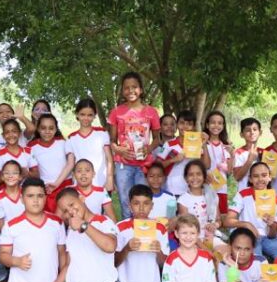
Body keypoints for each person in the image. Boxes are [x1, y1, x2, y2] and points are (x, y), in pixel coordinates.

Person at [114, 185, 169, 282]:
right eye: (136, 203)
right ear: (129, 205)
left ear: (152, 206)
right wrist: (127, 248)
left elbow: (165, 263)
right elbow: (114, 263)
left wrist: (158, 251)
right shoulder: (121, 228)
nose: (141, 208)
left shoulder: (159, 228)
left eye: (146, 203)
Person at [108, 72, 162, 219]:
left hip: (144, 165)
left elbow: (157, 139)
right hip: (123, 165)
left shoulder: (151, 112)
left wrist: (148, 149)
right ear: (122, 90)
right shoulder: (116, 112)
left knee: (143, 202)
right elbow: (112, 140)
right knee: (126, 201)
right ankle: (127, 229)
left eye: (134, 87)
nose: (130, 91)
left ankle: (142, 229)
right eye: (127, 88)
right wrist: (118, 149)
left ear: (141, 89)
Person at [223, 161, 277, 261]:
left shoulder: (276, 200)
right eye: (255, 176)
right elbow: (227, 221)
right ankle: (259, 262)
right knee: (257, 256)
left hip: (266, 238)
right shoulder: (242, 195)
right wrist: (247, 225)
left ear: (270, 177)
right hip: (248, 235)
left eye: (264, 175)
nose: (260, 179)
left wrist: (272, 225)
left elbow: (272, 235)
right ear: (250, 179)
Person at [65, 98, 114, 191]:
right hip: (80, 185)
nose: (86, 118)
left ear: (95, 115)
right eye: (82, 114)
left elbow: (109, 159)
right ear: (77, 114)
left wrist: (110, 178)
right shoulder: (71, 138)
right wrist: (56, 183)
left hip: (101, 183)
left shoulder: (102, 133)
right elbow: (70, 164)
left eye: (90, 115)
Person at [28, 113, 74, 199]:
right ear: (38, 129)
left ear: (56, 129)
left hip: (65, 186)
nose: (47, 131)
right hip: (45, 189)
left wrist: (56, 184)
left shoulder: (63, 142)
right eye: (43, 128)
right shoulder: (31, 147)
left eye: (51, 128)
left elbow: (70, 164)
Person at [155, 110, 194, 197]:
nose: (185, 126)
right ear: (177, 125)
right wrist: (173, 160)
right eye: (182, 123)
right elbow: (157, 165)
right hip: (173, 190)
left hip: (192, 189)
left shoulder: (197, 144)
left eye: (189, 124)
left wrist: (204, 145)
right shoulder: (168, 144)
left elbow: (206, 165)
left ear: (193, 126)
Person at [0, 118, 34, 187]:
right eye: (7, 132)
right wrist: (13, 172)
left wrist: (27, 173)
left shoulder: (28, 151)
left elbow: (37, 175)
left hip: (26, 190)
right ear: (3, 136)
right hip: (7, 191)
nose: (11, 134)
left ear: (19, 133)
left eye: (14, 131)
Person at [231, 117, 262, 192]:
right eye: (248, 130)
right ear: (241, 134)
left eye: (255, 129)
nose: (252, 132)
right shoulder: (238, 153)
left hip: (261, 194)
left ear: (260, 132)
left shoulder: (263, 152)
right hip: (244, 193)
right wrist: (249, 160)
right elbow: (236, 177)